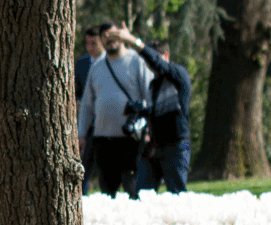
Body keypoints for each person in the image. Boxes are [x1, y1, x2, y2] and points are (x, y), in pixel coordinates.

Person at [109, 25, 191, 193]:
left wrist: (132, 41)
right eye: (147, 62)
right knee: (142, 194)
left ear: (166, 56)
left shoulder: (178, 74)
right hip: (154, 147)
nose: (150, 64)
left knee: (176, 195)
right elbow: (155, 113)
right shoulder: (154, 85)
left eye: (153, 59)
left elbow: (160, 65)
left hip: (176, 146)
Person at [76, 22, 153, 197]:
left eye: (113, 34)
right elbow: (87, 104)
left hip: (130, 138)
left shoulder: (136, 61)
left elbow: (149, 96)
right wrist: (81, 133)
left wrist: (149, 129)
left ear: (121, 35)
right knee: (107, 190)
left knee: (131, 187)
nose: (109, 39)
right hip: (102, 139)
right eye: (104, 36)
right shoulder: (97, 67)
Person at [74, 27, 101, 190]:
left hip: (107, 125)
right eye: (87, 43)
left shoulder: (108, 62)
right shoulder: (82, 63)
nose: (90, 47)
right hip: (87, 125)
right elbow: (76, 90)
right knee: (83, 170)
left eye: (94, 43)